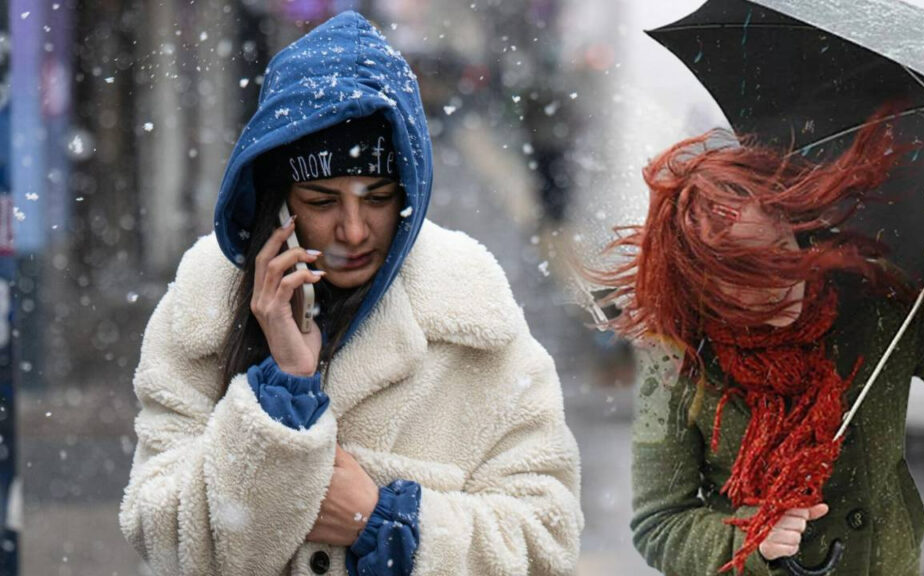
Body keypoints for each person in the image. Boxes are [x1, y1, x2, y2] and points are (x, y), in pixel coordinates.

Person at [119, 12, 582, 576]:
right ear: (280, 200)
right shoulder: (202, 311)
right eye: (321, 201)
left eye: (379, 197)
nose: (355, 231)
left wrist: (384, 523)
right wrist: (282, 393)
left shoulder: (474, 317)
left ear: (409, 191)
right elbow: (166, 541)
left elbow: (548, 541)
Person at [595, 116, 924, 575]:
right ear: (706, 282)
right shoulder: (669, 360)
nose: (782, 277)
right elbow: (659, 522)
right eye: (752, 271)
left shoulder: (869, 298)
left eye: (783, 246)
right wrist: (750, 541)